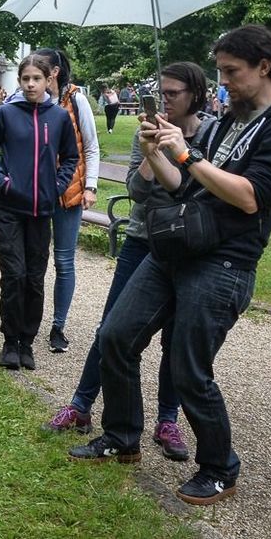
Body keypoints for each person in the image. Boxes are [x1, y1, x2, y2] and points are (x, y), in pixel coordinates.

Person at [70, 25, 271, 507]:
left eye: (231, 72)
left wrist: (187, 153)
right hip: (177, 249)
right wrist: (155, 154)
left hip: (225, 262)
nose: (224, 82)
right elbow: (185, 186)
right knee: (115, 337)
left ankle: (220, 467)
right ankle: (122, 437)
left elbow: (251, 197)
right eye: (221, 71)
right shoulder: (233, 118)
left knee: (187, 367)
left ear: (264, 67)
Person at [46, 62, 217, 464]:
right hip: (144, 240)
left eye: (173, 93)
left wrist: (179, 154)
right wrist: (151, 150)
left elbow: (195, 196)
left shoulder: (212, 133)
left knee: (176, 338)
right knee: (112, 329)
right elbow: (138, 191)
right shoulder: (147, 132)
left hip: (189, 249)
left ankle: (168, 420)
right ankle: (82, 404)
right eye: (161, 92)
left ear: (194, 94)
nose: (164, 100)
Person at [0, 53, 77, 371]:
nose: (31, 84)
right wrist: (3, 183)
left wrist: (57, 186)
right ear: (19, 81)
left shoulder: (58, 118)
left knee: (34, 279)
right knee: (14, 275)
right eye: (25, 79)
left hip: (41, 210)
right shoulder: (6, 114)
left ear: (49, 80)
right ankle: (9, 342)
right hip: (9, 209)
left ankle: (27, 342)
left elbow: (71, 158)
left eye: (37, 78)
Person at [37, 48, 100, 354]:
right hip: (36, 192)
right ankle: (27, 321)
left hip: (69, 192)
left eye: (40, 71)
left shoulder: (76, 99)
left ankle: (58, 326)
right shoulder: (30, 100)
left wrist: (90, 187)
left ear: (54, 73)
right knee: (34, 258)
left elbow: (91, 145)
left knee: (63, 260)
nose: (32, 77)